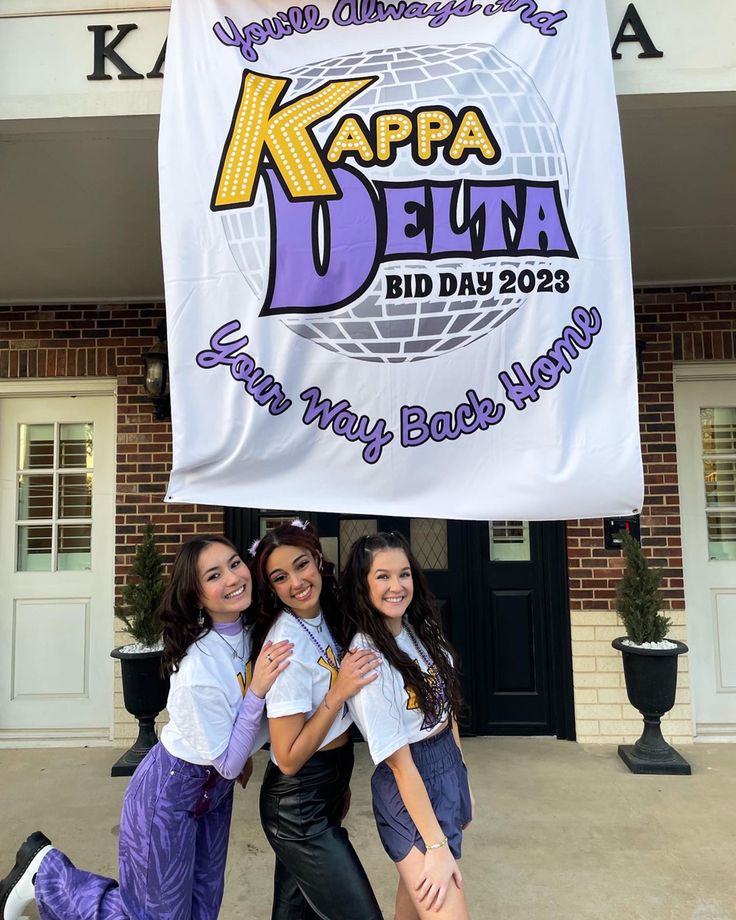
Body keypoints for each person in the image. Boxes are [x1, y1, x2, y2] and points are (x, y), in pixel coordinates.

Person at [0, 535, 292, 920]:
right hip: (168, 795)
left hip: (215, 796)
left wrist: (246, 744)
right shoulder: (198, 666)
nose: (233, 577)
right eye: (214, 575)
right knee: (155, 916)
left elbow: (238, 733)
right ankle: (46, 874)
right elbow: (227, 758)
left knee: (202, 908)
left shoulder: (253, 634)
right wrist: (255, 697)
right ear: (196, 594)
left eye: (235, 564)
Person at [250, 520, 384, 920]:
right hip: (297, 806)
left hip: (323, 790)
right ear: (271, 587)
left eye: (301, 565)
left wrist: (337, 785)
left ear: (318, 560)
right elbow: (288, 758)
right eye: (280, 577)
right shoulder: (286, 649)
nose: (296, 582)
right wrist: (338, 691)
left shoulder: (324, 615)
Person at [340, 531, 475, 920]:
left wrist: (462, 779)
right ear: (363, 585)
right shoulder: (367, 656)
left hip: (445, 768)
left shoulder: (422, 631)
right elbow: (399, 765)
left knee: (414, 908)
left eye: (404, 574)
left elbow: (446, 712)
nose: (396, 586)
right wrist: (435, 847)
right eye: (382, 576)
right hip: (408, 787)